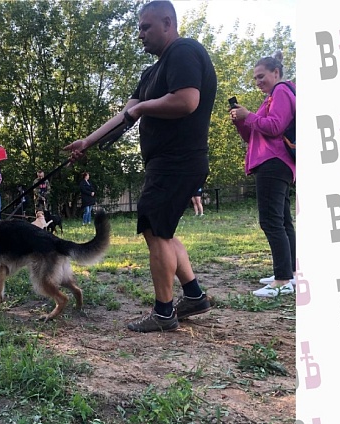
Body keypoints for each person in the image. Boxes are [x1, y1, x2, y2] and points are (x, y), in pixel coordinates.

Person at [64, 0, 216, 333]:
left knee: (155, 229)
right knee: (162, 230)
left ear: (167, 22)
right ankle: (194, 296)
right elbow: (125, 116)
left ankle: (164, 312)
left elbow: (187, 101)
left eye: (146, 27)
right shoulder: (151, 73)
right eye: (138, 28)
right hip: (167, 162)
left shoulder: (184, 51)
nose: (140, 34)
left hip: (179, 159)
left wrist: (144, 107)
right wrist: (87, 142)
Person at [230, 51, 296, 298]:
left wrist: (250, 116)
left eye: (261, 76)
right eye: (255, 78)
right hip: (278, 163)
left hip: (273, 161)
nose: (257, 82)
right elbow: (253, 135)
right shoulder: (271, 97)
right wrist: (241, 121)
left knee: (270, 221)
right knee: (283, 220)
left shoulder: (280, 91)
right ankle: (291, 273)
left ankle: (282, 280)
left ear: (276, 73)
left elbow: (275, 126)